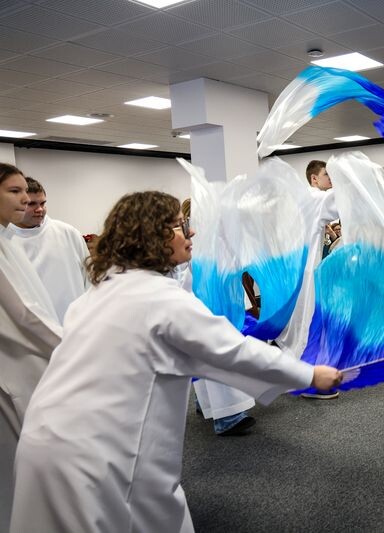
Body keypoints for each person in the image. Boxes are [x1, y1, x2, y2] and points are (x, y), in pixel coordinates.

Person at [10, 191, 342, 532]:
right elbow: (235, 352)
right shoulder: (161, 300)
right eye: (180, 226)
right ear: (153, 236)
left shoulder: (96, 294)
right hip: (99, 457)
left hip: (43, 442)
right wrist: (309, 374)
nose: (191, 231)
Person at [279, 154, 384, 400]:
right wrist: (382, 171)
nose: (331, 179)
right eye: (326, 175)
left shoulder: (300, 200)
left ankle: (302, 376)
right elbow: (348, 194)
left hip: (296, 274)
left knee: (308, 325)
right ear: (314, 179)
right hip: (305, 275)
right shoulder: (314, 198)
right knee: (309, 326)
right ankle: (309, 382)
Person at [0, 164, 61, 532]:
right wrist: (74, 347)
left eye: (27, 191)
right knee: (14, 466)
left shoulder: (6, 239)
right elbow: (23, 313)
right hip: (12, 367)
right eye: (14, 191)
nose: (25, 199)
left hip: (26, 359)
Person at [179, 198, 258, 436]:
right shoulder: (193, 242)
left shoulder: (216, 237)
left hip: (219, 303)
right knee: (218, 355)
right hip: (204, 304)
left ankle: (207, 404)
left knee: (210, 355)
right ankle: (228, 416)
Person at [9, 177, 89, 324]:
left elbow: (89, 279)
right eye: (31, 204)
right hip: (31, 327)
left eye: (43, 203)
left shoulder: (68, 233)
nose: (39, 209)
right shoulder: (6, 239)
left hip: (77, 324)